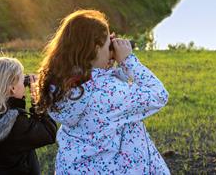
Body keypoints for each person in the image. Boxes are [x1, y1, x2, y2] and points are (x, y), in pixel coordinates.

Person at [36, 9, 170, 174]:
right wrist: (128, 61)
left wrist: (104, 62)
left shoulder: (62, 85)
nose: (111, 48)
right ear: (95, 48)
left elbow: (100, 90)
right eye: (108, 44)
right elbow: (158, 94)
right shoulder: (108, 92)